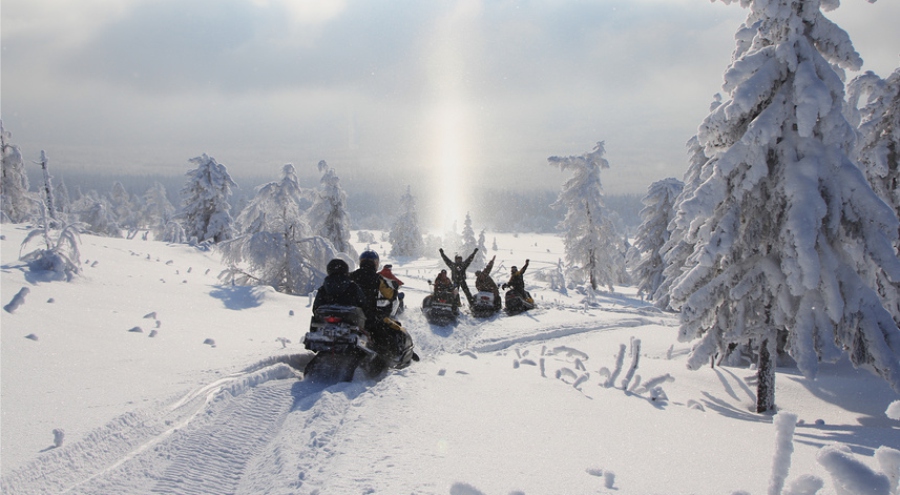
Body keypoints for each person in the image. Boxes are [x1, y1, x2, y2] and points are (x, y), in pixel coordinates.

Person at [351, 250, 412, 359]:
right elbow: (389, 294)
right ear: (375, 263)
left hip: (351, 315)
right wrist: (394, 292)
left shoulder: (351, 275)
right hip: (368, 315)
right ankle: (386, 357)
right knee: (387, 329)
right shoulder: (377, 279)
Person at [312, 258, 367, 328]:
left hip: (325, 321)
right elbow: (362, 302)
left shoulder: (323, 288)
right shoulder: (353, 286)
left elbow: (316, 307)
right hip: (350, 321)